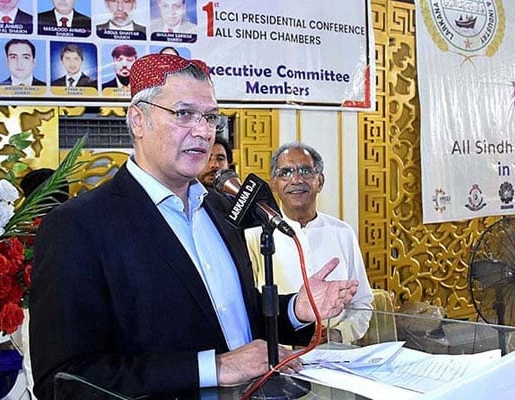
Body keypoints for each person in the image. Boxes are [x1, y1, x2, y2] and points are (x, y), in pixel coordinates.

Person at [29, 53, 358, 400]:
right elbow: (63, 380)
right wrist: (213, 368)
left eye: (211, 117)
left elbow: (230, 317)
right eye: (184, 114)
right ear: (138, 120)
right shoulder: (77, 226)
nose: (203, 131)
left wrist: (295, 309)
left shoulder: (220, 208)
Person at [245, 143, 374, 345]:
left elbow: (363, 303)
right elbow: (247, 310)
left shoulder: (342, 232)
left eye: (305, 171)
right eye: (286, 173)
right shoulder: (255, 236)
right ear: (274, 185)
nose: (296, 180)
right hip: (280, 360)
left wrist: (337, 335)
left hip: (335, 357)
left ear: (320, 181)